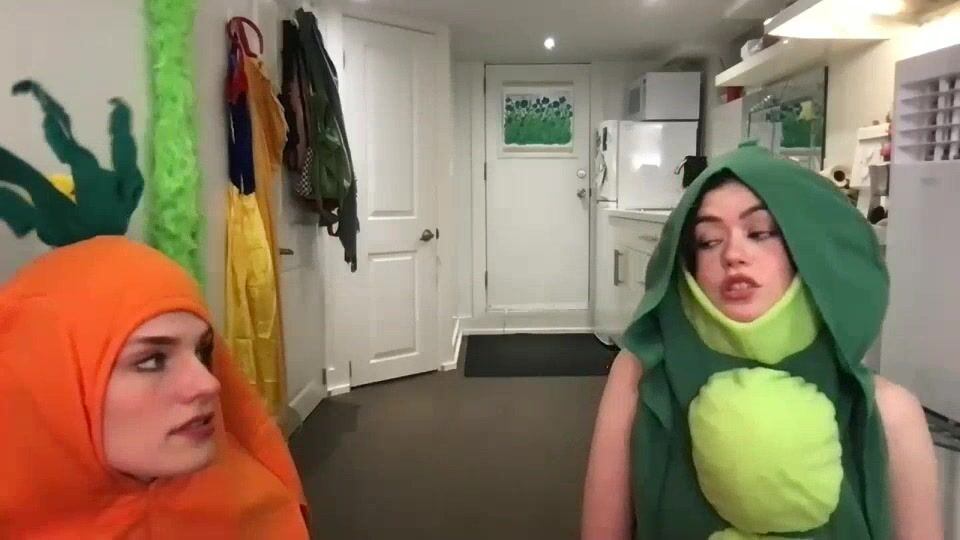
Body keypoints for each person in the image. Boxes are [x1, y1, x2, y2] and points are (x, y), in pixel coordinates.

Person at [581, 142, 942, 540]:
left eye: (760, 233)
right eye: (708, 240)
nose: (733, 254)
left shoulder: (889, 415)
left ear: (807, 250)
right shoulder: (642, 377)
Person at [0, 236, 310, 538]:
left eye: (203, 352)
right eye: (151, 361)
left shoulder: (257, 509)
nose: (209, 383)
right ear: (51, 387)